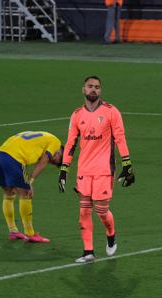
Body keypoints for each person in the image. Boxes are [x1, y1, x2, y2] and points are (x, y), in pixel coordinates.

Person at [59, 76, 135, 263]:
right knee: (84, 211)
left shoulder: (111, 112)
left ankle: (111, 234)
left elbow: (120, 138)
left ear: (101, 91)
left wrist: (127, 164)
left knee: (101, 211)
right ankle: (88, 252)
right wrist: (64, 170)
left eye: (97, 87)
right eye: (90, 86)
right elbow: (70, 143)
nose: (94, 90)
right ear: (83, 90)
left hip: (104, 169)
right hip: (84, 170)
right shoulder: (77, 115)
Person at [0, 131, 64, 243]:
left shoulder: (42, 137)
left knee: (9, 194)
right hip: (14, 158)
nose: (53, 161)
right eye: (57, 159)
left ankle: (13, 231)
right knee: (26, 193)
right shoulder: (55, 142)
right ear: (60, 151)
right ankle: (30, 234)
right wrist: (30, 182)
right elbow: (43, 162)